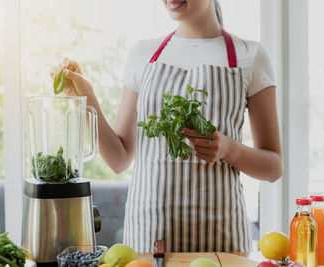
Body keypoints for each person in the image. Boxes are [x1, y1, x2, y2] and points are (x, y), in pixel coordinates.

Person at [51, 0, 282, 253]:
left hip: (221, 241)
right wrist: (86, 100)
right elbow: (119, 159)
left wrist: (229, 149)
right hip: (148, 238)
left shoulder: (251, 56)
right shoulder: (142, 54)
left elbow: (274, 166)